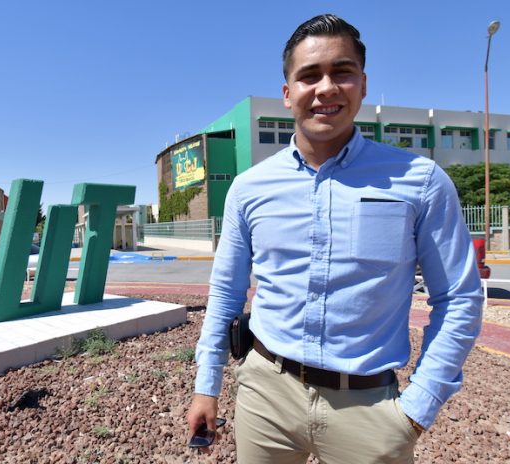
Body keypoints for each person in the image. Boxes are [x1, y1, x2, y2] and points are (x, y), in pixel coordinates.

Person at [186, 13, 483, 464]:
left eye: (341, 72)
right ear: (288, 93)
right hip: (264, 396)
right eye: (309, 76)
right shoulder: (248, 189)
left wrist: (417, 409)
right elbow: (226, 292)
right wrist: (207, 386)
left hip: (368, 408)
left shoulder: (419, 181)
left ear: (363, 85)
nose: (326, 88)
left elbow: (459, 298)